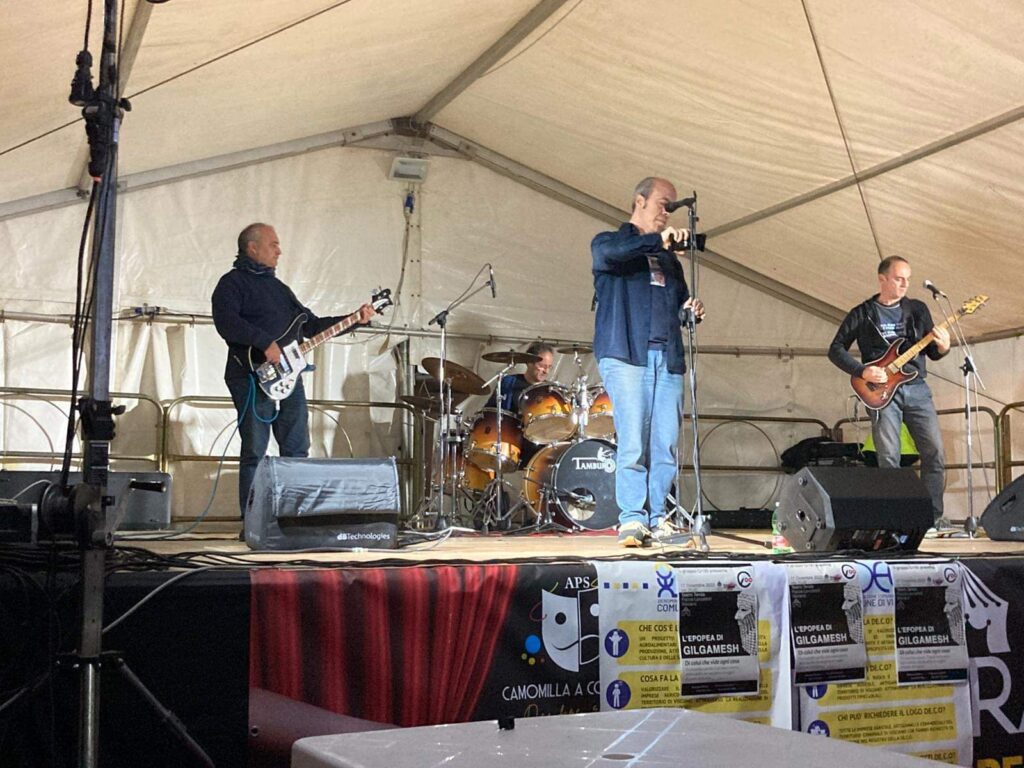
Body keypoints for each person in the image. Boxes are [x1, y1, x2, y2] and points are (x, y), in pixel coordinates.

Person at [211, 222, 375, 524]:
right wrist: (264, 342)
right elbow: (226, 322)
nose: (279, 251)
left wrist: (354, 319)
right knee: (255, 450)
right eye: (273, 244)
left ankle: (294, 517)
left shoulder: (280, 290)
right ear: (252, 248)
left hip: (288, 375)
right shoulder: (231, 284)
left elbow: (311, 325)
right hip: (250, 374)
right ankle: (252, 521)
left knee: (297, 447)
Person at [591, 177, 704, 547]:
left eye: (671, 206)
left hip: (666, 357)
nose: (667, 212)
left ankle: (658, 518)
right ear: (639, 201)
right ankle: (632, 519)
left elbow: (678, 302)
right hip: (627, 355)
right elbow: (611, 256)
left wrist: (689, 311)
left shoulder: (669, 261)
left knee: (665, 443)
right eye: (662, 203)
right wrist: (659, 240)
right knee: (633, 441)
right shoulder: (609, 242)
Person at [828, 255, 950, 526]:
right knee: (888, 457)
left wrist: (943, 347)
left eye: (907, 279)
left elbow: (931, 351)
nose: (904, 284)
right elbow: (835, 349)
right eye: (898, 279)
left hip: (916, 387)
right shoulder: (862, 313)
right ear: (882, 279)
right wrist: (863, 371)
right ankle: (896, 518)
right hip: (881, 392)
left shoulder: (917, 310)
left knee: (934, 452)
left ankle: (932, 517)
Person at [483, 341, 556, 467]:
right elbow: (490, 411)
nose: (546, 371)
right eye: (542, 366)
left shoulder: (550, 391)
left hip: (538, 446)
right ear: (529, 362)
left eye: (549, 367)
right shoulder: (508, 382)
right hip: (508, 443)